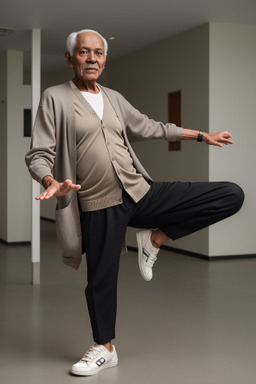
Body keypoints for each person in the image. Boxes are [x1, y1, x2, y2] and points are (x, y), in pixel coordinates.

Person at [25, 29, 244, 377]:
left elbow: (151, 127)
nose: (92, 58)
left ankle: (153, 239)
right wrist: (50, 180)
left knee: (231, 195)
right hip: (97, 203)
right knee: (101, 279)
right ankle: (105, 347)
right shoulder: (54, 98)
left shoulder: (113, 97)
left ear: (105, 59)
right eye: (84, 52)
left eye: (98, 52)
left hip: (141, 192)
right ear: (71, 58)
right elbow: (38, 153)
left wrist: (203, 135)